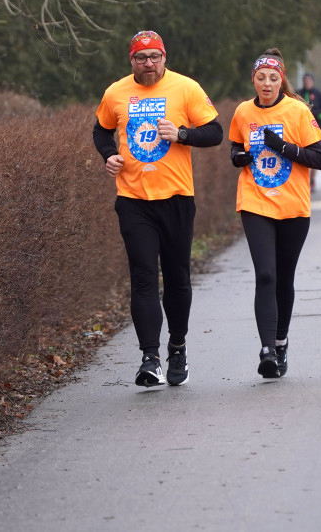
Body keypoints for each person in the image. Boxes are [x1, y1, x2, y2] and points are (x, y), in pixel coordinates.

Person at [93, 30, 223, 388]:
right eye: (141, 57)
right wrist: (110, 155)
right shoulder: (116, 92)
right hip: (134, 199)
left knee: (178, 278)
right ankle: (150, 358)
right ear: (131, 60)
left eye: (155, 56)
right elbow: (101, 131)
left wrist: (182, 134)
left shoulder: (186, 88)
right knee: (144, 277)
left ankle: (177, 347)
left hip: (177, 198)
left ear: (164, 57)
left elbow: (214, 132)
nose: (148, 63)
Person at [229, 49, 321, 378]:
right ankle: (267, 348)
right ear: (253, 81)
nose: (267, 84)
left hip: (293, 205)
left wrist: (283, 147)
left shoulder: (298, 111)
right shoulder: (243, 112)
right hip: (255, 201)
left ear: (281, 80)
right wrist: (238, 158)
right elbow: (235, 147)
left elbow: (319, 159)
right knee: (266, 275)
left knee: (284, 278)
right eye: (261, 78)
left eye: (273, 78)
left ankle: (282, 342)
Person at [298, 73, 321, 190]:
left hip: (317, 130)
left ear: (313, 81)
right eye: (305, 80)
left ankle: (312, 180)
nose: (307, 82)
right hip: (300, 131)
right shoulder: (297, 94)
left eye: (309, 80)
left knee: (315, 156)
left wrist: (319, 115)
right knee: (302, 156)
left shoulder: (319, 95)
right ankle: (303, 180)